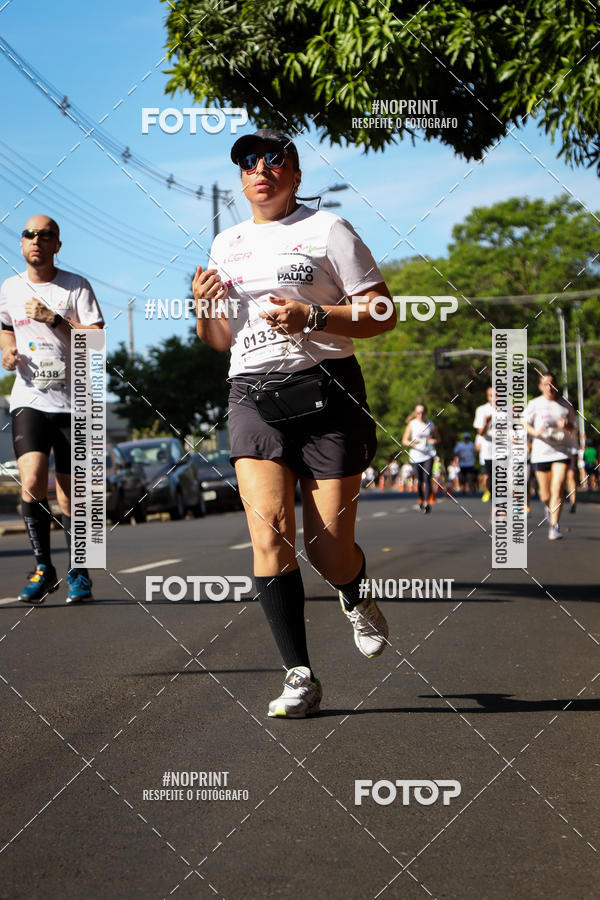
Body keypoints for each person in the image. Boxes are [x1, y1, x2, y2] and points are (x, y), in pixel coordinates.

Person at [192, 130, 396, 718]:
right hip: (252, 395)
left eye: (273, 159)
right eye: (248, 162)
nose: (260, 168)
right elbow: (218, 340)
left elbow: (382, 311)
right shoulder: (225, 243)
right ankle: (299, 675)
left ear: (296, 174)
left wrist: (313, 314)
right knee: (269, 533)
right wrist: (204, 307)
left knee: (326, 550)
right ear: (240, 180)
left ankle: (355, 591)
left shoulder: (328, 229)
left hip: (328, 393)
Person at [0, 215, 104, 602]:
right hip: (30, 399)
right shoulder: (10, 287)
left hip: (75, 402)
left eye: (46, 235)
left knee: (70, 498)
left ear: (57, 245)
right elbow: (5, 325)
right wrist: (7, 349)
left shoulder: (76, 286)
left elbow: (96, 339)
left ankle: (80, 570)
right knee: (30, 481)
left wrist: (55, 319)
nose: (36, 240)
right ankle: (43, 567)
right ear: (22, 243)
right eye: (29, 234)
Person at [525, 372, 575, 540]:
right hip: (540, 453)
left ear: (556, 385)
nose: (549, 387)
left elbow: (572, 427)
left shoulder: (565, 405)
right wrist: (535, 431)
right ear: (540, 386)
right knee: (545, 495)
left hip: (560, 451)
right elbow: (523, 422)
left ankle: (554, 526)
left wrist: (566, 424)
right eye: (545, 384)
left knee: (558, 487)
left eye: (552, 384)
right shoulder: (534, 404)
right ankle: (549, 508)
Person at [401, 403, 439, 512]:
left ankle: (427, 503)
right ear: (415, 413)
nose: (420, 415)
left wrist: (433, 440)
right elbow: (404, 441)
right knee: (419, 479)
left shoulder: (430, 424)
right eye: (418, 413)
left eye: (422, 413)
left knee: (427, 478)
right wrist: (413, 443)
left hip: (428, 455)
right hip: (415, 456)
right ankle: (421, 499)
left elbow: (438, 438)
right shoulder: (412, 424)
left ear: (426, 413)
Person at [473, 386, 497, 502]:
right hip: (489, 451)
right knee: (491, 480)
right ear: (488, 397)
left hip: (506, 451)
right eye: (491, 395)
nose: (495, 398)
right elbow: (480, 433)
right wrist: (486, 422)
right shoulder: (482, 410)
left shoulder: (509, 410)